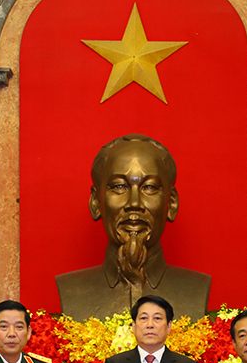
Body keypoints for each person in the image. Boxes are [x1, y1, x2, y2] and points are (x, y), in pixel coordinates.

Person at [56, 134, 211, 320]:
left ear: (171, 203)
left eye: (150, 187)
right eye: (119, 187)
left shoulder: (196, 288)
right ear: (96, 202)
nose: (134, 203)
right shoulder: (71, 289)